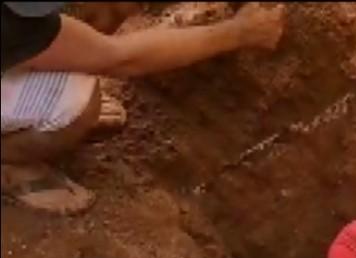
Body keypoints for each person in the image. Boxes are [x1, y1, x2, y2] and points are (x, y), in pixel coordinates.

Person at [0, 1, 284, 215]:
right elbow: (120, 59)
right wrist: (240, 33)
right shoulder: (15, 25)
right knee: (78, 106)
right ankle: (11, 162)